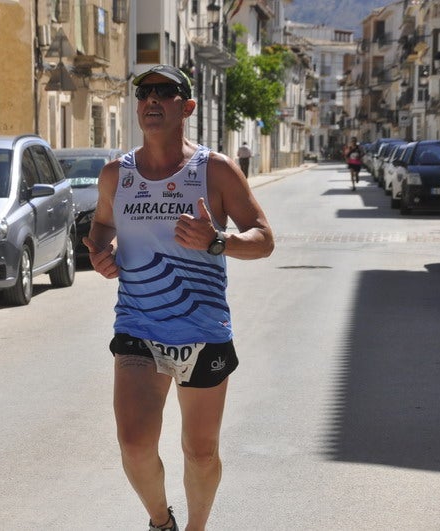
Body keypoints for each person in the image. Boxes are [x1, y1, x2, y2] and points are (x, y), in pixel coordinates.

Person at [82, 64, 274, 531]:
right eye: (144, 92)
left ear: (186, 107)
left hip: (202, 330)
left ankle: (196, 527)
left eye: (164, 92)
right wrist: (102, 253)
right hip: (138, 327)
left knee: (200, 451)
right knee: (134, 443)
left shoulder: (215, 170)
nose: (151, 99)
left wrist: (218, 241)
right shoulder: (116, 174)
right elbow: (102, 226)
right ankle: (160, 521)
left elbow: (264, 238)